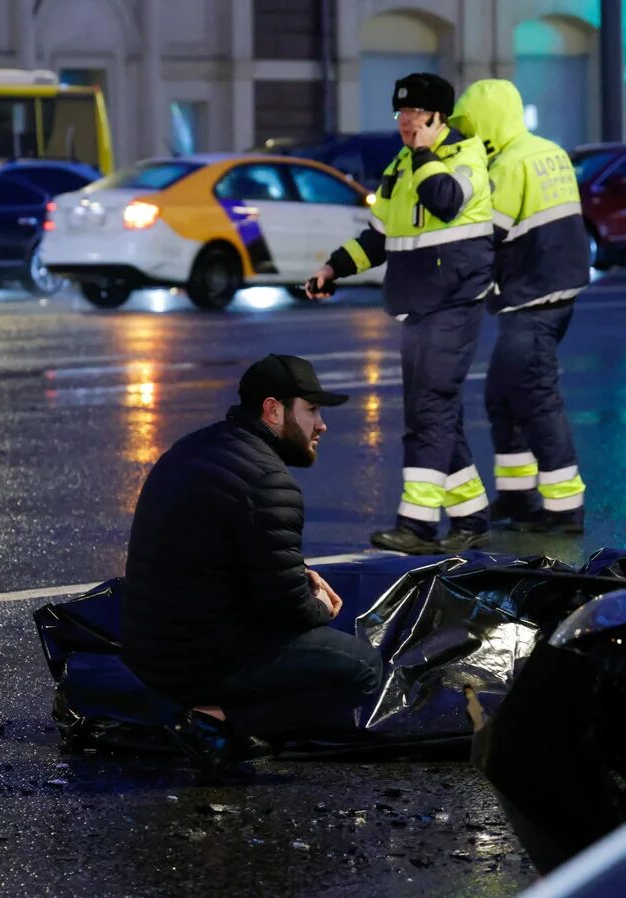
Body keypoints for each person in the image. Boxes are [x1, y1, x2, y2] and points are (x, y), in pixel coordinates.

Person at [120, 354, 383, 772]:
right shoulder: (267, 480)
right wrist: (320, 604)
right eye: (311, 410)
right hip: (190, 657)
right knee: (361, 668)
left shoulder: (192, 448)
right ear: (273, 410)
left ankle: (216, 714)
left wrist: (295, 576)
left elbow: (221, 557)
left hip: (141, 645)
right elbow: (286, 608)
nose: (322, 425)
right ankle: (216, 723)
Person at [306, 73, 495, 556]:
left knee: (429, 412)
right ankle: (471, 518)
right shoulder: (402, 164)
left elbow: (446, 203)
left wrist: (428, 153)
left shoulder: (464, 155)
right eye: (400, 114)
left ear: (438, 117)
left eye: (413, 114)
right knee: (439, 414)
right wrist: (333, 268)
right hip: (417, 305)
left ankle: (418, 526)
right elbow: (378, 237)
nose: (405, 122)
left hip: (454, 302)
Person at [449, 79, 589, 533]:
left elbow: (485, 236)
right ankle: (516, 496)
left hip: (530, 298)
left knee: (535, 399)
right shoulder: (549, 151)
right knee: (504, 396)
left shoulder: (507, 165)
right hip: (556, 292)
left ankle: (564, 506)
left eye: (468, 126)